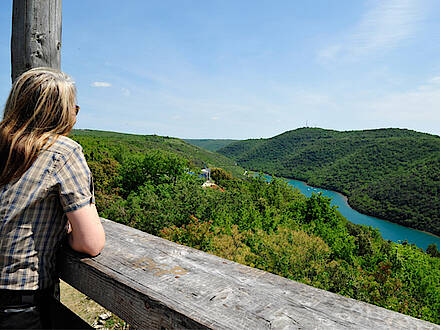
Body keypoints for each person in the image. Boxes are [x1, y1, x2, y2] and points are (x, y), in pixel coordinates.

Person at [0, 67, 105, 329]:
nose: (75, 117)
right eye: (74, 109)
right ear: (58, 112)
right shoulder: (64, 151)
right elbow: (91, 244)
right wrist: (66, 231)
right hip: (18, 300)